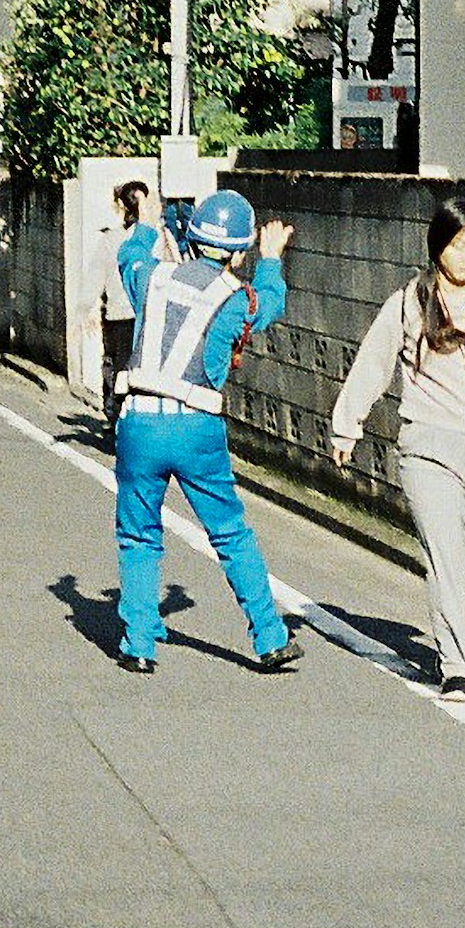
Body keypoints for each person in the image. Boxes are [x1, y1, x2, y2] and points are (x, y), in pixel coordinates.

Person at [329, 193, 465, 699]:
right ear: (438, 246)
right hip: (426, 442)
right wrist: (346, 425)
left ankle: (458, 631)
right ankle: (456, 664)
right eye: (459, 246)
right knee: (445, 554)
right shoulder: (409, 300)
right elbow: (374, 363)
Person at [111, 188, 300, 674]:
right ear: (238, 253)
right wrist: (272, 258)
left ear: (190, 239)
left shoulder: (151, 277)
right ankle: (270, 636)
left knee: (139, 536)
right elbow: (272, 302)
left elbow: (129, 253)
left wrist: (149, 220)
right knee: (230, 533)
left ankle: (138, 644)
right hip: (197, 427)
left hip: (139, 422)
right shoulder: (237, 298)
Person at [95, 178, 155, 396]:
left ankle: (115, 410)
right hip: (148, 313)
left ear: (122, 206)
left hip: (119, 312)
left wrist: (92, 308)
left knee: (118, 365)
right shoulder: (157, 237)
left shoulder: (111, 238)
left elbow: (98, 278)